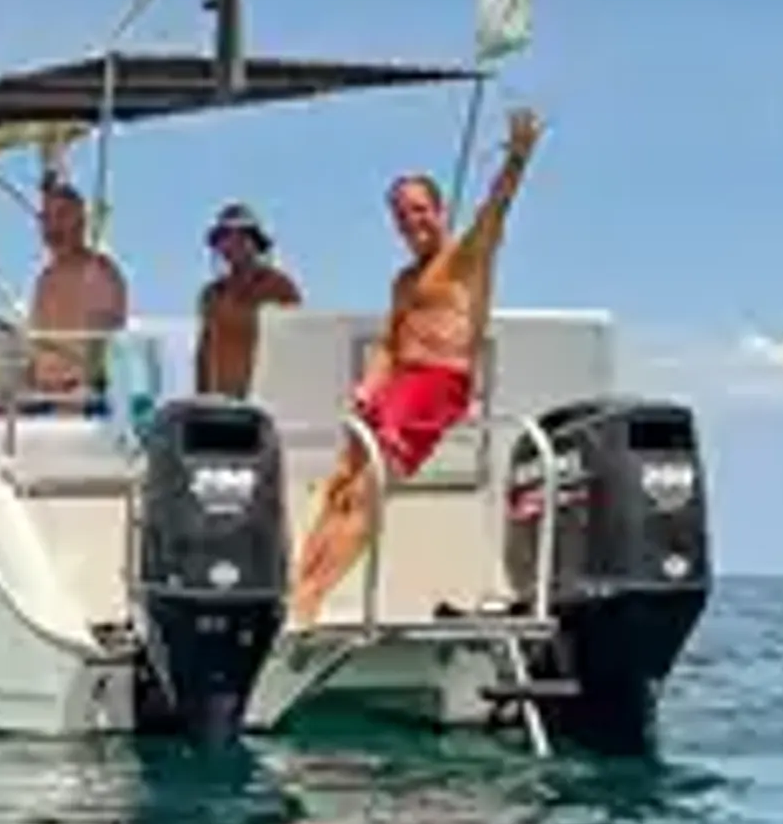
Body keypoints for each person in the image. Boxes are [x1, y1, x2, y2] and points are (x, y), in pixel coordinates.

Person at [288, 107, 542, 621]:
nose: (412, 221)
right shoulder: (404, 280)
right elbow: (389, 340)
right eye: (402, 214)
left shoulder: (467, 255)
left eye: (420, 209)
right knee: (339, 481)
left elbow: (497, 208)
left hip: (437, 382)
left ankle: (309, 601)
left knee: (368, 490)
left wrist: (517, 156)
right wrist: (368, 387)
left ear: (439, 209)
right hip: (397, 384)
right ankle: (298, 584)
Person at [22, 177, 129, 406]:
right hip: (42, 398)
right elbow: (36, 344)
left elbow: (101, 343)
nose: (53, 226)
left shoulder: (99, 271)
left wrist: (81, 394)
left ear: (81, 221)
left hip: (81, 399)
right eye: (46, 218)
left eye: (62, 215)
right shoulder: (45, 279)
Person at [192, 201, 303, 398]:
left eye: (241, 236)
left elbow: (295, 346)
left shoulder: (280, 288)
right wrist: (203, 399)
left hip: (266, 401)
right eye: (224, 237)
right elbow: (204, 356)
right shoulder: (212, 295)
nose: (231, 244)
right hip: (221, 405)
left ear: (254, 242)